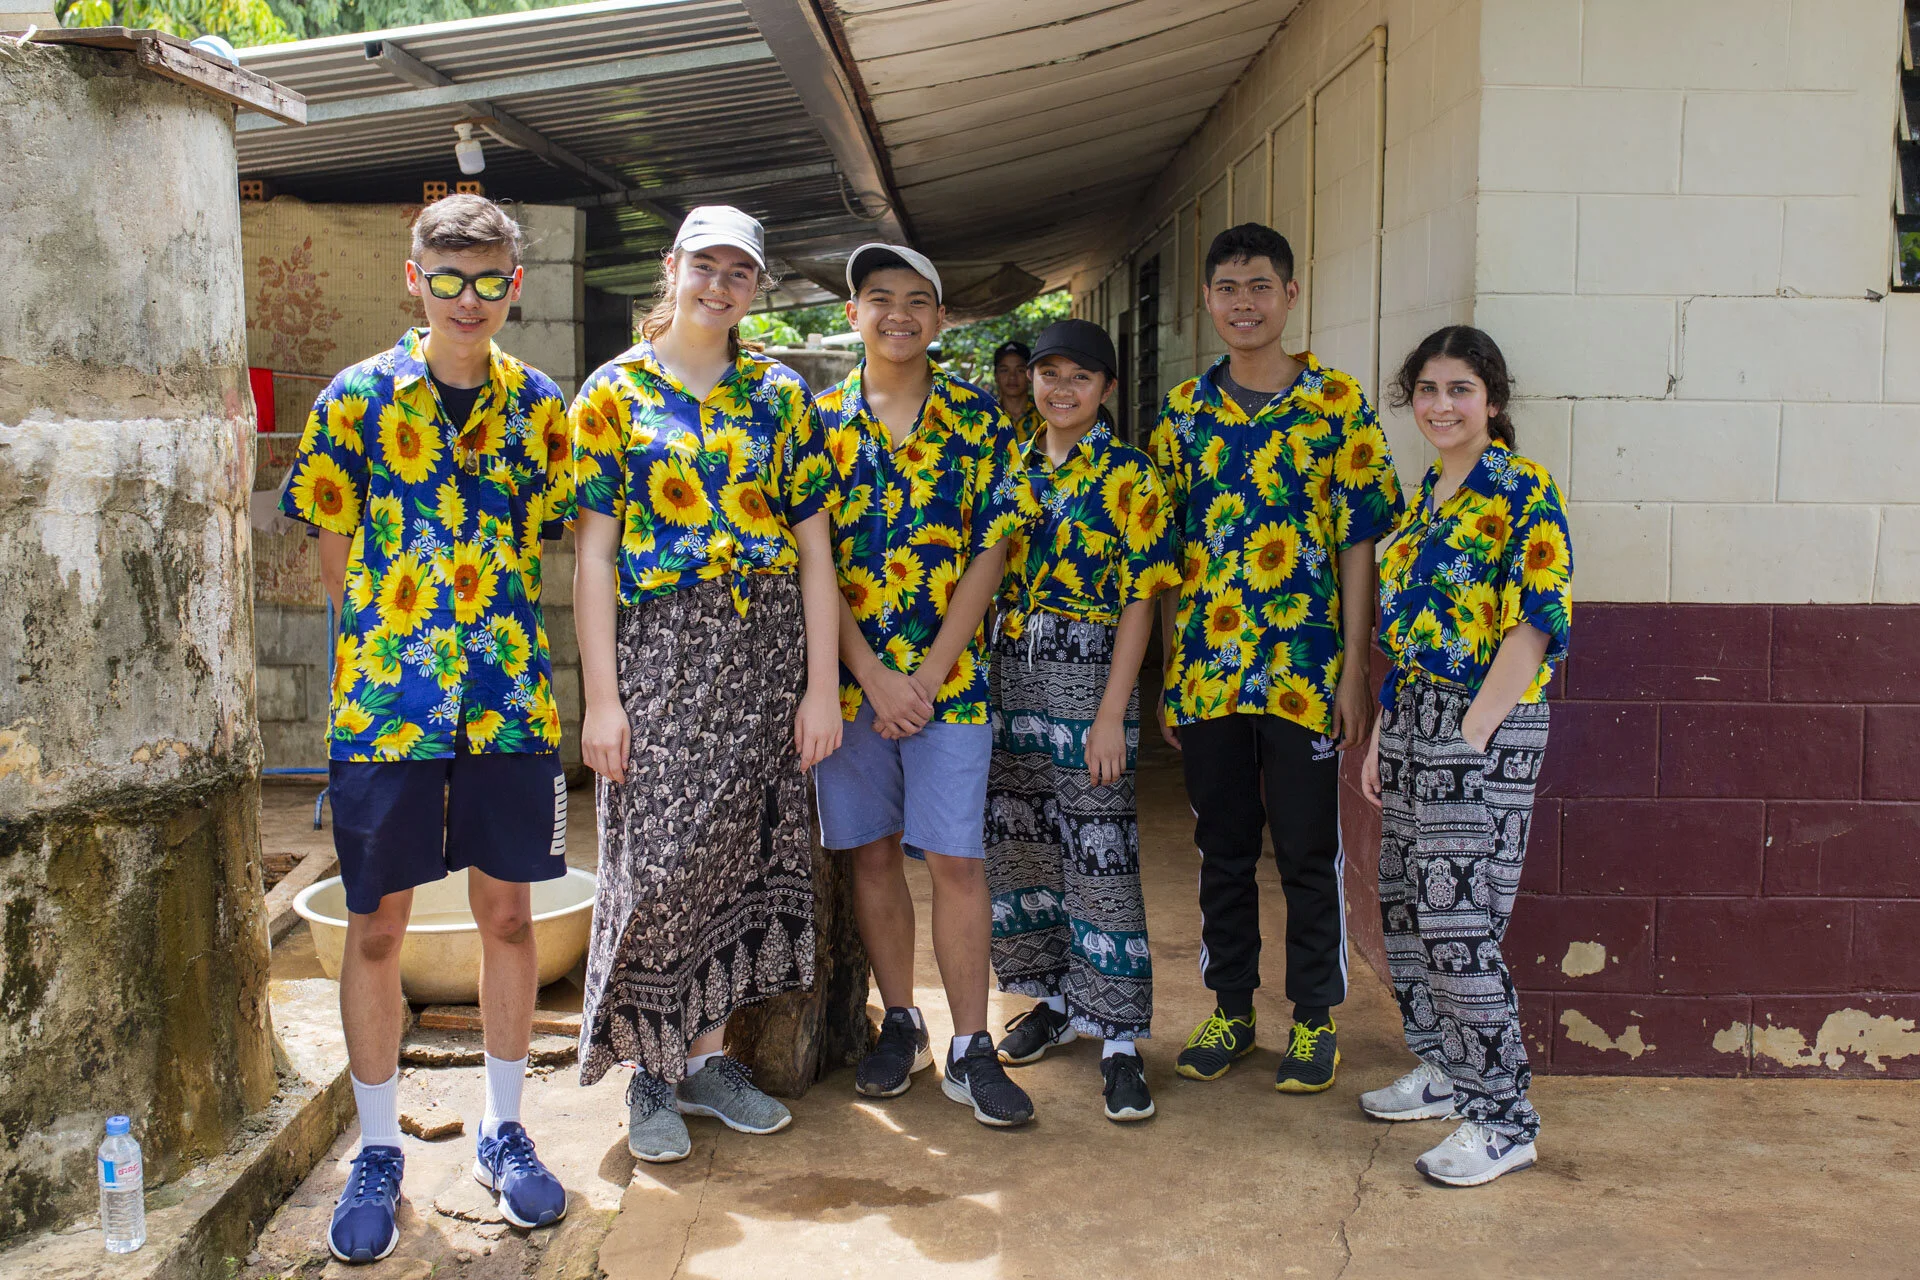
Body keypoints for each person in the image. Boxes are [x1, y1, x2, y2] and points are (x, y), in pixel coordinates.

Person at [279, 194, 573, 1264]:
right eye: (447, 279)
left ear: (514, 286)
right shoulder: (354, 400)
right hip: (386, 711)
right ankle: (377, 1149)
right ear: (415, 279)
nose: (467, 300)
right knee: (375, 928)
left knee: (509, 920)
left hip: (506, 703)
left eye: (487, 281)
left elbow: (557, 534)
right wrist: (390, 657)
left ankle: (502, 1128)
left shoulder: (542, 408)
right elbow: (333, 561)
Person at [568, 207, 844, 1164]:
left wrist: (820, 687)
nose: (720, 286)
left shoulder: (779, 394)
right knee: (658, 865)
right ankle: (648, 1074)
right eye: (706, 266)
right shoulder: (612, 393)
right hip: (662, 653)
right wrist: (603, 699)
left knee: (740, 859)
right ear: (672, 268)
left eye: (740, 272)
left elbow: (816, 553)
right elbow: (594, 557)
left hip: (765, 650)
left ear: (756, 286)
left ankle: (706, 1061)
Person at [1148, 223, 1404, 1094]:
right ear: (1207, 300)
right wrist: (1171, 674)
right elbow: (1169, 556)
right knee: (1221, 849)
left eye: (1260, 286)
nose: (1244, 303)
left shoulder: (1336, 404)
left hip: (1306, 671)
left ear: (1291, 295)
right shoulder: (1183, 414)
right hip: (1209, 671)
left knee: (1305, 850)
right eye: (1227, 288)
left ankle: (1314, 1018)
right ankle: (1230, 1009)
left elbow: (1359, 542)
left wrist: (1354, 670)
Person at [810, 243, 1044, 1127]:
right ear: (853, 315)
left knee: (956, 858)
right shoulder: (817, 425)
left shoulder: (980, 424)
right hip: (851, 686)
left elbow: (993, 550)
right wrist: (873, 674)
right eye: (880, 298)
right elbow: (812, 560)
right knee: (872, 853)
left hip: (954, 684)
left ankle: (970, 1045)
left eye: (917, 300)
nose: (898, 314)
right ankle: (902, 1022)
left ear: (942, 319)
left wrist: (929, 675)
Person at [1358, 325, 1571, 1188]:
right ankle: (1445, 1068)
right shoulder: (1427, 496)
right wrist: (1386, 731)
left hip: (1480, 725)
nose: (1441, 405)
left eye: (1460, 390)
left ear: (1493, 400)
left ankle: (1503, 1119)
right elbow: (1410, 634)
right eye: (1428, 390)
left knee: (1459, 925)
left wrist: (1471, 734)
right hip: (1413, 718)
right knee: (1408, 910)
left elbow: (1538, 620)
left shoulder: (1522, 489)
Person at [984, 319, 1180, 1122]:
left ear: (1107, 389)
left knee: (1100, 847)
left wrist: (1110, 715)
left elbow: (1142, 597)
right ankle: (1059, 1001)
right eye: (1049, 373)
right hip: (1013, 671)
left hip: (1090, 671)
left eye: (1080, 377)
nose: (1061, 389)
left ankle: (1120, 1038)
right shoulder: (1012, 465)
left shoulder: (1131, 475)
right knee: (1027, 840)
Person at [991, 339, 1044, 445]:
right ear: (996, 376)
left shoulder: (1045, 412)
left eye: (1020, 370)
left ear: (1030, 375)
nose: (1012, 377)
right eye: (1004, 370)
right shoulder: (987, 414)